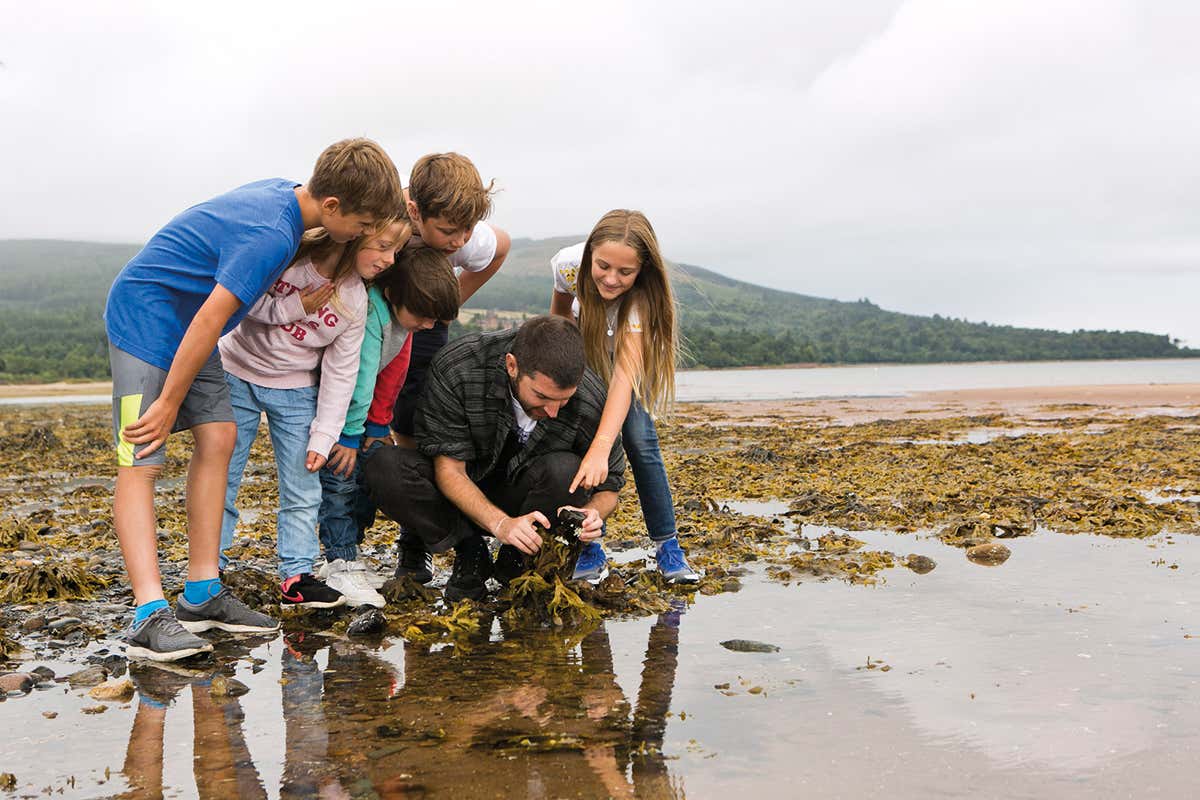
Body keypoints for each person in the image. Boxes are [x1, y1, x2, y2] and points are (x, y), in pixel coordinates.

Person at [103, 137, 403, 660]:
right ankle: (148, 614)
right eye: (361, 225)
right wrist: (169, 402)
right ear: (333, 206)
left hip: (189, 326)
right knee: (141, 456)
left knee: (220, 435)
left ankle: (202, 592)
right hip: (145, 319)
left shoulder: (291, 203)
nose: (361, 236)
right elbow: (213, 318)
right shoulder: (271, 234)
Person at [363, 315, 625, 601]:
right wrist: (500, 525)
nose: (553, 411)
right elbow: (450, 470)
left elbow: (610, 488)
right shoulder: (459, 366)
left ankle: (517, 559)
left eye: (563, 400)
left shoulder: (590, 395)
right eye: (541, 396)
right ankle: (469, 550)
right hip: (454, 495)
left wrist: (593, 513)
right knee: (384, 466)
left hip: (529, 498)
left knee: (567, 470)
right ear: (512, 366)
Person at [217, 219, 409, 609]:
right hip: (236, 371)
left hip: (296, 387)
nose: (390, 260)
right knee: (223, 476)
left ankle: (297, 575)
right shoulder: (289, 259)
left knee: (304, 487)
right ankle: (209, 567)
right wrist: (294, 307)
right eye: (383, 246)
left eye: (396, 251)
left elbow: (342, 371)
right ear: (356, 234)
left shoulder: (354, 299)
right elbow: (238, 299)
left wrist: (325, 435)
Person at [549, 210, 699, 583]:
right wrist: (565, 372)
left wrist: (603, 447)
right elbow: (559, 319)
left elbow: (622, 377)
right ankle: (588, 546)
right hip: (585, 353)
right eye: (603, 266)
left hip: (625, 363)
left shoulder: (641, 300)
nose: (611, 278)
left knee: (640, 440)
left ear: (641, 270)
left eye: (625, 272)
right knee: (576, 442)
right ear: (590, 255)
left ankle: (668, 547)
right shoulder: (568, 266)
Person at [384, 153, 512, 581]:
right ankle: (411, 535)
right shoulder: (383, 216)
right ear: (415, 212)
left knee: (423, 428)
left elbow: (501, 246)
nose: (459, 240)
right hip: (372, 322)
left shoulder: (463, 236)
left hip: (424, 329)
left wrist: (445, 303)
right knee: (386, 432)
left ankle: (419, 543)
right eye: (447, 231)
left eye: (467, 230)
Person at [315, 246, 460, 607]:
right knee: (340, 484)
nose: (428, 326)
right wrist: (351, 434)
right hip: (336, 417)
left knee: (366, 483)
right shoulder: (372, 313)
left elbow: (395, 371)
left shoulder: (404, 321)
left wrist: (380, 425)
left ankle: (348, 555)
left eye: (435, 321)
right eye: (423, 316)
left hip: (363, 421)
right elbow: (360, 378)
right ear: (395, 293)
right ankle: (339, 561)